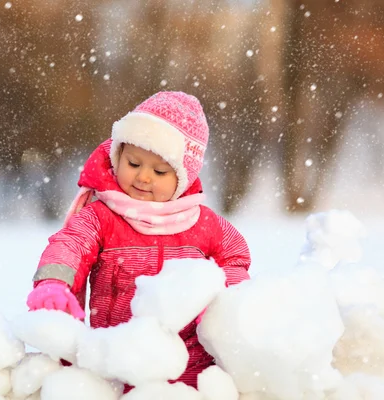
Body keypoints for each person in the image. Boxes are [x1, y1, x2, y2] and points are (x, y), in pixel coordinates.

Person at [26, 91, 251, 388]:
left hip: (190, 374)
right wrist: (53, 283)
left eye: (159, 170)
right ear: (117, 157)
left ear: (182, 178)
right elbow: (70, 246)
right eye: (133, 164)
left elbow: (235, 258)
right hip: (119, 369)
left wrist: (222, 301)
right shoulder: (102, 217)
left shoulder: (203, 223)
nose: (144, 177)